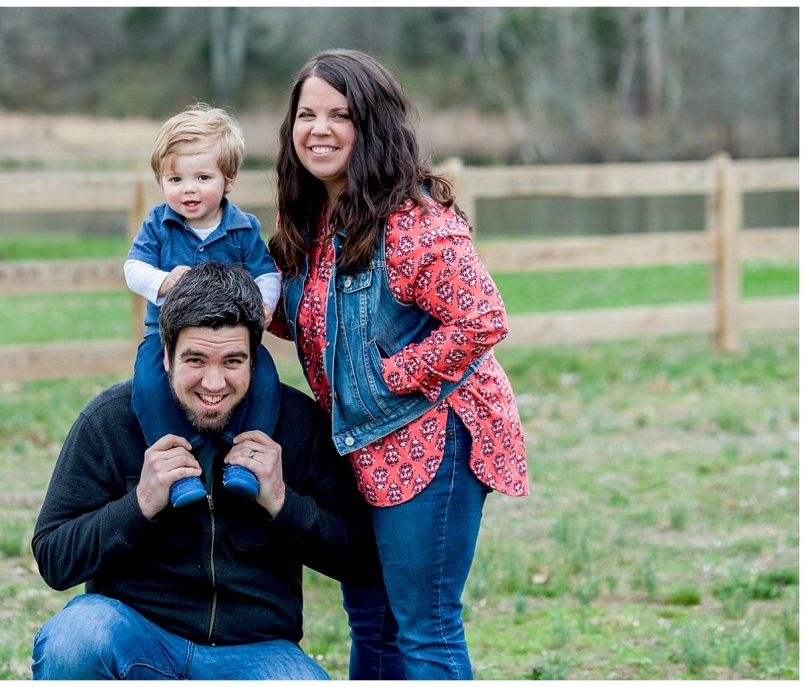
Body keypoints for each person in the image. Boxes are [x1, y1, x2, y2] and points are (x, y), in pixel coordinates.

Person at [268, 49, 530, 680]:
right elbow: (303, 318)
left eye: (340, 114)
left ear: (373, 124)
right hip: (356, 447)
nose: (320, 129)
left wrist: (386, 376)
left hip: (430, 442)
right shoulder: (309, 219)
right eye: (307, 114)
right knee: (373, 625)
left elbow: (482, 319)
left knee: (424, 627)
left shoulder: (414, 224)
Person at [31, 260, 377, 680]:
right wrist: (140, 504)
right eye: (195, 360)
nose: (213, 384)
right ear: (166, 356)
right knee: (76, 636)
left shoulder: (298, 424)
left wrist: (283, 502)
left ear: (254, 359)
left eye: (232, 361)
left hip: (257, 651)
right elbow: (53, 557)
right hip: (139, 635)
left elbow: (359, 558)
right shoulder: (109, 421)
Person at [124, 103, 282, 505]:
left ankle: (245, 461)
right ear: (161, 180)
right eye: (175, 178)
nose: (188, 189)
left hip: (231, 342)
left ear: (228, 180)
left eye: (202, 177)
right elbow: (132, 268)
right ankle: (177, 470)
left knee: (264, 378)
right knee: (147, 383)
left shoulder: (242, 227)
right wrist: (163, 282)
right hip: (166, 339)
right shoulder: (160, 224)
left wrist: (264, 304)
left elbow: (267, 273)